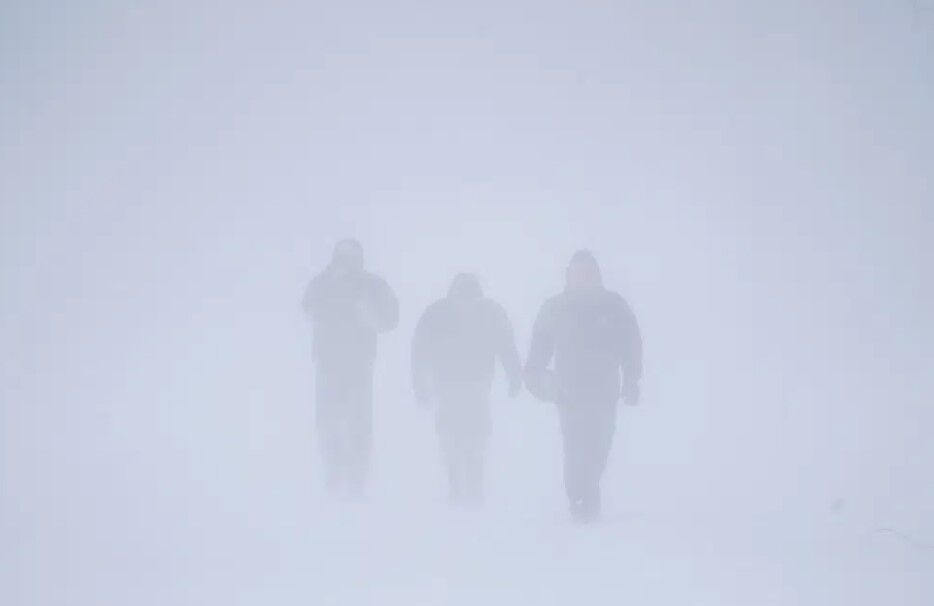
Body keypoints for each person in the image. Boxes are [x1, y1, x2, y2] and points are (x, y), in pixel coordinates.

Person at [525, 250, 642, 522]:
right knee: (575, 446)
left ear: (596, 275)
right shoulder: (555, 308)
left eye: (587, 273)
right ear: (568, 276)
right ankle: (580, 498)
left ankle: (588, 490)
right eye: (577, 273)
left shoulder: (614, 306)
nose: (582, 279)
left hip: (605, 391)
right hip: (568, 392)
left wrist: (632, 380)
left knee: (600, 445)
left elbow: (632, 345)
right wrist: (535, 379)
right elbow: (539, 349)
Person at [411, 273, 522, 504]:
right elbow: (419, 349)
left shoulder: (487, 313)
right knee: (456, 435)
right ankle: (459, 485)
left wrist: (514, 375)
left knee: (471, 435)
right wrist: (419, 383)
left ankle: (470, 485)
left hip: (473, 384)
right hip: (450, 384)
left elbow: (506, 345)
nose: (465, 301)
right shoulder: (440, 313)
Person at [302, 239, 398, 497]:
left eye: (350, 258)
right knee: (328, 420)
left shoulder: (372, 285)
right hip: (328, 362)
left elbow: (392, 317)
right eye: (342, 257)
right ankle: (334, 469)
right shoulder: (323, 282)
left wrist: (373, 316)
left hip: (359, 364)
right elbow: (307, 306)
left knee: (358, 420)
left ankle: (357, 475)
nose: (345, 263)